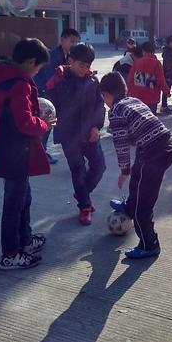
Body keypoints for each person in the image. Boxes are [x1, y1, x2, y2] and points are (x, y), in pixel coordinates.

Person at [0, 38, 56, 270]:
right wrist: (44, 124)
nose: (38, 72)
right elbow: (24, 122)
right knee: (14, 203)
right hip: (14, 153)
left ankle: (25, 239)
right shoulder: (19, 84)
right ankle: (10, 253)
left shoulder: (0, 77)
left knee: (23, 197)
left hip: (4, 149)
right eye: (39, 67)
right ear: (31, 62)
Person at [102, 72, 172, 258]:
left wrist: (123, 171)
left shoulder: (116, 111)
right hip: (164, 146)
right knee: (138, 176)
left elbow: (121, 145)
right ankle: (129, 206)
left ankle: (149, 245)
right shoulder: (133, 100)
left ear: (106, 95)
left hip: (154, 153)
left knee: (143, 206)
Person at [46, 44, 106, 225]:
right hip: (69, 135)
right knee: (77, 169)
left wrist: (96, 127)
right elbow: (49, 108)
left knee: (99, 166)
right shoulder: (57, 81)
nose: (85, 69)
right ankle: (85, 206)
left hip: (89, 133)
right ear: (70, 60)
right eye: (81, 65)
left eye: (88, 66)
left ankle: (82, 193)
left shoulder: (93, 81)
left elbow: (99, 105)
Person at [34, 28, 80, 164]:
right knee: (44, 127)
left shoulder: (69, 56)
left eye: (76, 42)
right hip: (45, 96)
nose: (74, 44)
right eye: (72, 41)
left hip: (55, 97)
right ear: (63, 39)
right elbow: (52, 79)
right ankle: (39, 155)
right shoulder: (52, 56)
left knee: (47, 127)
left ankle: (41, 153)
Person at [127, 41, 170, 115]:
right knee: (150, 119)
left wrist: (129, 92)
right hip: (151, 97)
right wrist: (167, 91)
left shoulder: (137, 62)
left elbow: (130, 79)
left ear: (143, 51)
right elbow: (161, 80)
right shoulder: (156, 63)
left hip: (137, 96)